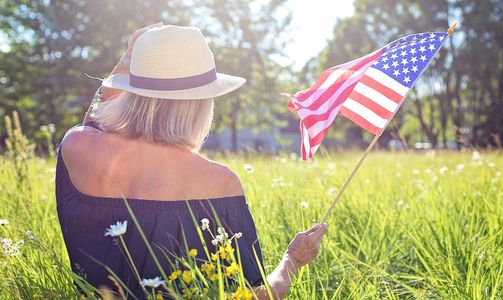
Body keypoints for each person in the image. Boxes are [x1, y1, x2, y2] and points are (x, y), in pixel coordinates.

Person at [55, 23, 327, 299]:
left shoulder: (76, 146)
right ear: (201, 104)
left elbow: (96, 120)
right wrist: (292, 260)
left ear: (130, 89)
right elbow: (252, 296)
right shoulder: (220, 182)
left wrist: (127, 64)